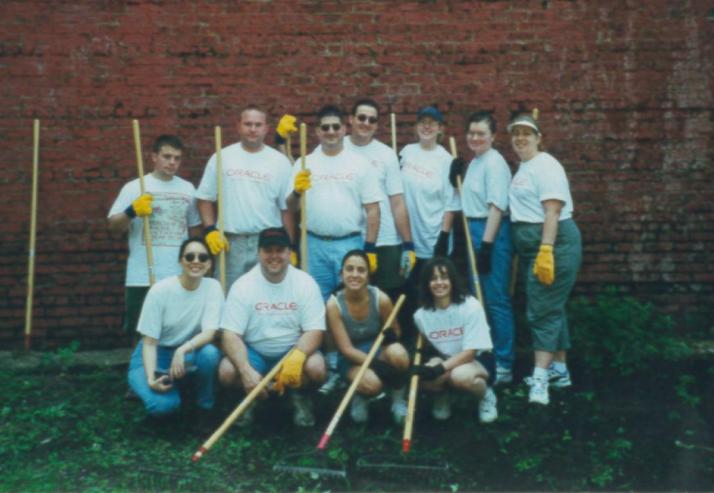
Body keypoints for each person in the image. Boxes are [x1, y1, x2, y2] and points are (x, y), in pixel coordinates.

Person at [286, 104, 383, 394]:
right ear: (317, 131)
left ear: (344, 129)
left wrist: (370, 248)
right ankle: (328, 364)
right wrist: (297, 191)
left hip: (349, 243)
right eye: (325, 127)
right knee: (317, 306)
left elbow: (373, 209)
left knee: (347, 304)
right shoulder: (304, 163)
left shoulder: (359, 164)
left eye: (335, 127)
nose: (330, 132)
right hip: (313, 242)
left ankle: (349, 362)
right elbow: (290, 207)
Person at [507, 112, 582, 406]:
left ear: (539, 138)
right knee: (552, 307)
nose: (521, 138)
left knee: (541, 311)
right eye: (516, 134)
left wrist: (546, 250)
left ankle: (539, 379)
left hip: (554, 246)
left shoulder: (546, 165)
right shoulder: (525, 167)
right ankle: (559, 371)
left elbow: (552, 211)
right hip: (535, 248)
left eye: (527, 133)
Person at [217, 227, 327, 427]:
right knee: (226, 371)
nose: (274, 256)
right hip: (255, 353)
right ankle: (248, 396)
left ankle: (299, 396)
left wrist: (297, 356)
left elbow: (315, 331)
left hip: (290, 351)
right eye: (268, 250)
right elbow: (230, 335)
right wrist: (245, 370)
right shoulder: (243, 285)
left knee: (317, 367)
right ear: (259, 253)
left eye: (280, 250)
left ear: (289, 253)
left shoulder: (306, 283)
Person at [108, 135, 201, 337]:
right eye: (167, 156)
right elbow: (114, 227)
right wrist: (132, 211)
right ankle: (140, 359)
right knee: (140, 333)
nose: (172, 162)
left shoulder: (188, 189)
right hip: (142, 275)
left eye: (177, 158)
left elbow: (194, 231)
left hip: (178, 273)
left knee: (176, 331)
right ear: (154, 157)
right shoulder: (135, 187)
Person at [449, 111, 516, 386]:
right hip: (472, 229)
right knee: (480, 297)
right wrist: (454, 179)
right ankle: (486, 354)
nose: (475, 138)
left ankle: (504, 363)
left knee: (497, 299)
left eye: (481, 133)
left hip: (491, 232)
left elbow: (497, 207)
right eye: (471, 133)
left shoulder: (495, 163)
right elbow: (469, 200)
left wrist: (487, 246)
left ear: (493, 136)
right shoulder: (475, 162)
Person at [196, 106, 295, 290]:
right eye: (248, 124)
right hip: (231, 243)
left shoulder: (279, 162)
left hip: (268, 242)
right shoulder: (222, 157)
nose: (253, 129)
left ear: (266, 128)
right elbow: (204, 199)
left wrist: (291, 246)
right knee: (228, 295)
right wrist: (210, 230)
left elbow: (286, 209)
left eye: (258, 125)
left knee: (267, 296)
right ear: (238, 126)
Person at [127, 238, 224, 417]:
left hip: (186, 352)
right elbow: (149, 343)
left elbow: (210, 332)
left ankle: (204, 407)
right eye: (189, 256)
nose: (196, 261)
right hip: (155, 352)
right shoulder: (160, 291)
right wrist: (151, 379)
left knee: (210, 354)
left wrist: (182, 350)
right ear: (180, 261)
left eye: (203, 257)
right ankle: (168, 387)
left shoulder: (213, 287)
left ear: (210, 263)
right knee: (163, 406)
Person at [326, 250, 410, 424]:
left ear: (368, 276)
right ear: (341, 274)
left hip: (377, 349)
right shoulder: (334, 305)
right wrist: (378, 366)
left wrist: (390, 337)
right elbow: (346, 350)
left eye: (361, 270)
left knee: (399, 354)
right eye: (350, 269)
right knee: (372, 385)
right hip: (350, 359)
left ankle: (398, 398)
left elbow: (396, 332)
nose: (355, 275)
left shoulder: (381, 299)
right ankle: (361, 394)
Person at [412, 257, 498, 424]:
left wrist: (439, 370)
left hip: (477, 360)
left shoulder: (471, 306)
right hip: (446, 360)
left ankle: (486, 396)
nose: (439, 283)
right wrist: (429, 369)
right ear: (426, 284)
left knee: (460, 376)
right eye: (433, 279)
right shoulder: (421, 316)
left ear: (452, 280)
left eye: (444, 277)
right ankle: (442, 395)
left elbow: (470, 353)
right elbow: (430, 347)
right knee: (422, 376)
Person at [345, 99, 416, 300]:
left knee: (388, 296)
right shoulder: (337, 148)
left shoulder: (386, 154)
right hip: (351, 238)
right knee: (353, 298)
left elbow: (397, 202)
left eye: (372, 120)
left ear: (377, 125)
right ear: (351, 119)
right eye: (361, 117)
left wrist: (408, 244)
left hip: (385, 239)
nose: (366, 123)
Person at [399, 106, 459, 341]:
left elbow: (451, 202)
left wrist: (444, 236)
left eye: (432, 123)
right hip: (408, 239)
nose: (426, 126)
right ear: (415, 127)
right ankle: (412, 344)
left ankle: (438, 343)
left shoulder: (446, 159)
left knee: (434, 295)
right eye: (422, 122)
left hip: (433, 237)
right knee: (410, 294)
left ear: (440, 128)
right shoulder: (406, 153)